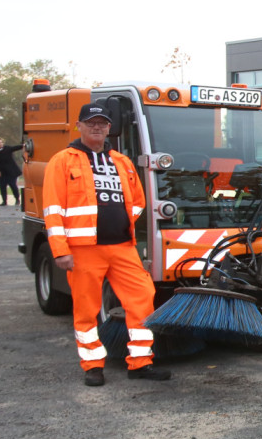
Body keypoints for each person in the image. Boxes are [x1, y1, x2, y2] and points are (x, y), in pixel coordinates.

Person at [43, 104, 170, 385]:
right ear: (79, 126)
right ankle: (92, 366)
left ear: (109, 128)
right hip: (83, 250)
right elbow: (52, 209)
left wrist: (120, 222)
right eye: (91, 122)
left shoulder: (122, 162)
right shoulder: (62, 161)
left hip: (123, 247)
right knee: (86, 309)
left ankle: (140, 362)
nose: (97, 127)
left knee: (143, 298)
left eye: (102, 123)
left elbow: (138, 202)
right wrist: (60, 250)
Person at [0, 137, 24, 207]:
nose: (1, 144)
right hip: (2, 172)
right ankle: (4, 201)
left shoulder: (7, 149)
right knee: (2, 186)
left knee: (13, 185)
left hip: (11, 171)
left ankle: (17, 199)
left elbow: (15, 148)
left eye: (1, 142)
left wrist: (23, 145)